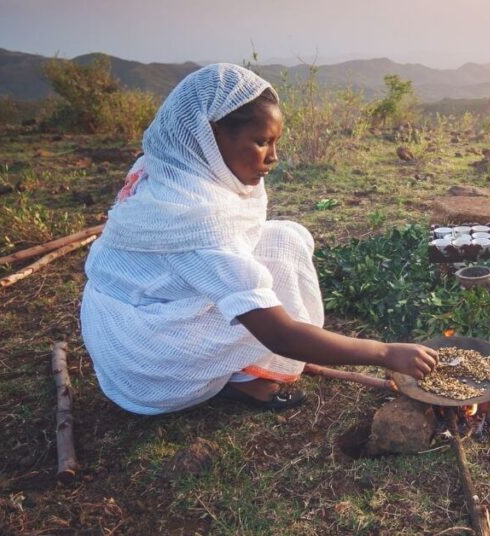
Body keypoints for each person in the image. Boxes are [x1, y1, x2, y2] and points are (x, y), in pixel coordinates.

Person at [80, 63, 437, 415]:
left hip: (131, 321)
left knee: (284, 239)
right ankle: (240, 379)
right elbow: (278, 333)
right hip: (148, 366)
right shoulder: (193, 219)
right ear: (211, 135)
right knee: (269, 298)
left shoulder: (170, 166)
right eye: (261, 141)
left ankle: (243, 366)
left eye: (275, 142)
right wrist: (385, 352)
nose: (274, 157)